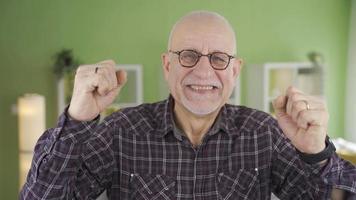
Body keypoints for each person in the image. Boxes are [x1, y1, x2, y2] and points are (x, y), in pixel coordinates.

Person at [20, 11, 355, 200]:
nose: (204, 70)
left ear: (235, 70)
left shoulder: (263, 133)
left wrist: (317, 155)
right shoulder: (121, 131)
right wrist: (77, 120)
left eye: (219, 58)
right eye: (189, 55)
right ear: (168, 66)